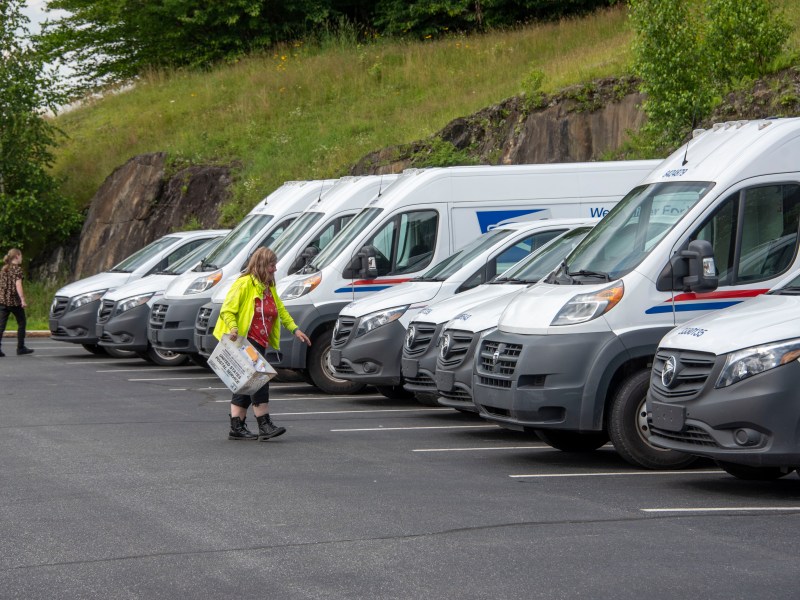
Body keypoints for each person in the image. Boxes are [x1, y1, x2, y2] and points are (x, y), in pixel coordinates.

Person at [213, 247, 311, 441]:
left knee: (246, 383)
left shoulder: (268, 286)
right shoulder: (244, 284)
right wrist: (233, 328)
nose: (275, 269)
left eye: (275, 265)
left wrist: (295, 329)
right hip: (243, 341)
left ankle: (237, 427)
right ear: (260, 265)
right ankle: (264, 424)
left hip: (260, 341)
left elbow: (280, 310)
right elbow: (227, 310)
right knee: (259, 380)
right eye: (271, 265)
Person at [0, 248, 33, 357]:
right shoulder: (17, 270)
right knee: (22, 322)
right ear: (17, 256)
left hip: (2, 301)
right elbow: (18, 285)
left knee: (1, 325)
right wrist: (22, 299)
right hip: (14, 301)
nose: (21, 258)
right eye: (21, 256)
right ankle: (21, 347)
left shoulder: (4, 269)